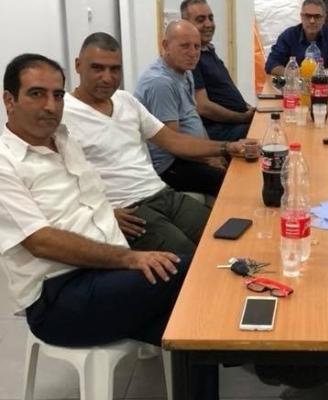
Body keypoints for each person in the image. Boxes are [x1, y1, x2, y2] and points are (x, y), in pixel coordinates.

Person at [0, 53, 218, 399]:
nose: (51, 106)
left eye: (57, 95)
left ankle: (266, 356)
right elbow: (41, 241)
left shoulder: (63, 138)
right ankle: (274, 361)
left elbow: (86, 197)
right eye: (36, 94)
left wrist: (107, 214)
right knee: (195, 272)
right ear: (9, 100)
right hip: (59, 298)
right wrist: (130, 258)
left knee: (197, 331)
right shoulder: (5, 163)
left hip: (105, 276)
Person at [63, 32, 241, 254]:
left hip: (162, 193)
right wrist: (100, 214)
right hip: (128, 210)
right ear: (78, 66)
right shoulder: (62, 114)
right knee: (189, 255)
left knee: (226, 234)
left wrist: (227, 147)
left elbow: (173, 141)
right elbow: (58, 180)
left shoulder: (125, 100)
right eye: (97, 68)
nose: (107, 78)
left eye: (115, 69)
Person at [135, 20, 225, 197]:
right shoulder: (160, 83)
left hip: (190, 155)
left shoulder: (186, 72)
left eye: (197, 47)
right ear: (165, 46)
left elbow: (194, 118)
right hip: (169, 166)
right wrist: (209, 158)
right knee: (230, 183)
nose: (193, 53)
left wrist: (214, 152)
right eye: (185, 46)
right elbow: (174, 145)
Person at [181, 0, 255, 142]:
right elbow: (203, 106)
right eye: (200, 20)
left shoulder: (208, 51)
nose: (208, 24)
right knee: (268, 134)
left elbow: (226, 91)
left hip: (235, 123)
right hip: (219, 131)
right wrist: (242, 117)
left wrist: (248, 108)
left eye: (211, 18)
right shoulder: (192, 58)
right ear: (186, 24)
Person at [265, 0, 328, 76]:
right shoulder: (289, 35)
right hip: (295, 84)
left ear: (324, 18)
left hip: (324, 84)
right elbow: (271, 64)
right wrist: (291, 73)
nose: (312, 21)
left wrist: (318, 75)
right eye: (308, 16)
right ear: (301, 16)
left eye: (317, 16)